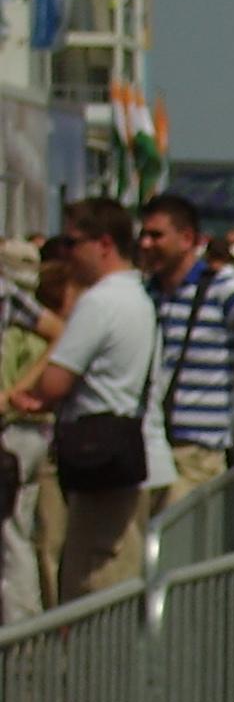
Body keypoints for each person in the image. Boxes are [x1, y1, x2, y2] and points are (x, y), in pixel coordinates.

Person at [7, 198, 174, 599]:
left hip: (104, 463)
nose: (66, 254)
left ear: (103, 244)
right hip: (135, 456)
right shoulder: (138, 296)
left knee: (95, 583)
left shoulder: (99, 302)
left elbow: (54, 382)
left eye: (72, 243)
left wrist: (29, 395)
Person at [137, 193, 234, 508]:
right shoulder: (147, 291)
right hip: (148, 446)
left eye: (156, 235)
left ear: (187, 238)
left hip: (195, 452)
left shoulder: (223, 287)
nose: (146, 244)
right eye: (143, 235)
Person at [1, 238, 49, 621]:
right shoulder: (32, 309)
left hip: (15, 431)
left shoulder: (13, 307)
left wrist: (12, 393)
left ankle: (22, 624)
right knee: (20, 531)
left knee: (13, 535)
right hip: (36, 430)